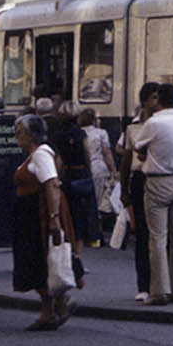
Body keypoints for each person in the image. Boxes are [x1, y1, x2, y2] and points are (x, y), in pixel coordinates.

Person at [13, 112, 76, 330]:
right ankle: (54, 305)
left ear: (31, 135)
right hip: (31, 213)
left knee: (40, 260)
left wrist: (53, 218)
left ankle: (52, 308)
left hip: (39, 214)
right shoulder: (36, 154)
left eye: (19, 132)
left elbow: (51, 184)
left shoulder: (40, 155)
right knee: (39, 261)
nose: (16, 137)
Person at [137, 82, 173, 305]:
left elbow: (139, 147)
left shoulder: (154, 122)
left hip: (158, 181)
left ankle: (159, 291)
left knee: (158, 237)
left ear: (159, 99)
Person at [120, 82, 161, 301]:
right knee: (143, 234)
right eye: (154, 98)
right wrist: (123, 189)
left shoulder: (165, 123)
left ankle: (161, 283)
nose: (157, 102)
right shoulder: (132, 128)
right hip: (139, 178)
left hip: (158, 177)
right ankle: (143, 284)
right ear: (145, 101)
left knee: (160, 235)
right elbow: (126, 160)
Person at [50, 97, 101, 247]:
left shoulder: (58, 135)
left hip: (67, 175)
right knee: (81, 216)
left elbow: (58, 158)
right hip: (81, 174)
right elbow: (86, 153)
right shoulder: (80, 133)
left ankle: (66, 248)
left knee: (68, 214)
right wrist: (89, 171)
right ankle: (78, 254)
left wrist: (57, 177)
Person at [81, 107, 119, 244]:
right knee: (97, 203)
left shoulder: (78, 133)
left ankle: (85, 233)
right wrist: (114, 170)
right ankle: (97, 235)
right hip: (99, 169)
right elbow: (107, 153)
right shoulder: (101, 133)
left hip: (83, 170)